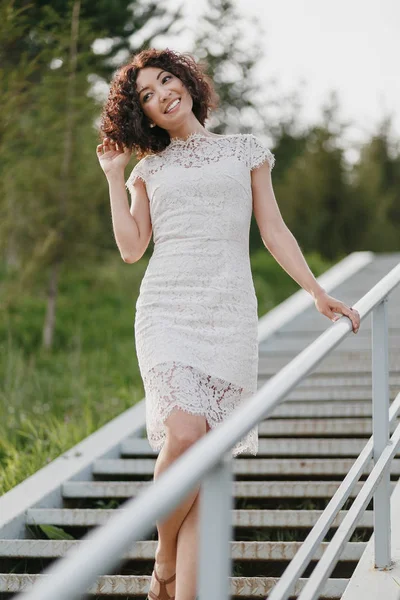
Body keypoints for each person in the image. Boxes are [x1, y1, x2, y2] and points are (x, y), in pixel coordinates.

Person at [96, 47, 360, 600]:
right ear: (144, 114)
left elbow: (274, 231)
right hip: (166, 308)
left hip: (229, 312)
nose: (161, 95)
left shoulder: (244, 151)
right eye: (146, 95)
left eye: (166, 81)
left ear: (188, 83)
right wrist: (115, 177)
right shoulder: (148, 168)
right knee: (186, 434)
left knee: (205, 458)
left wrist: (316, 292)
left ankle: (180, 586)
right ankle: (164, 563)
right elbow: (130, 248)